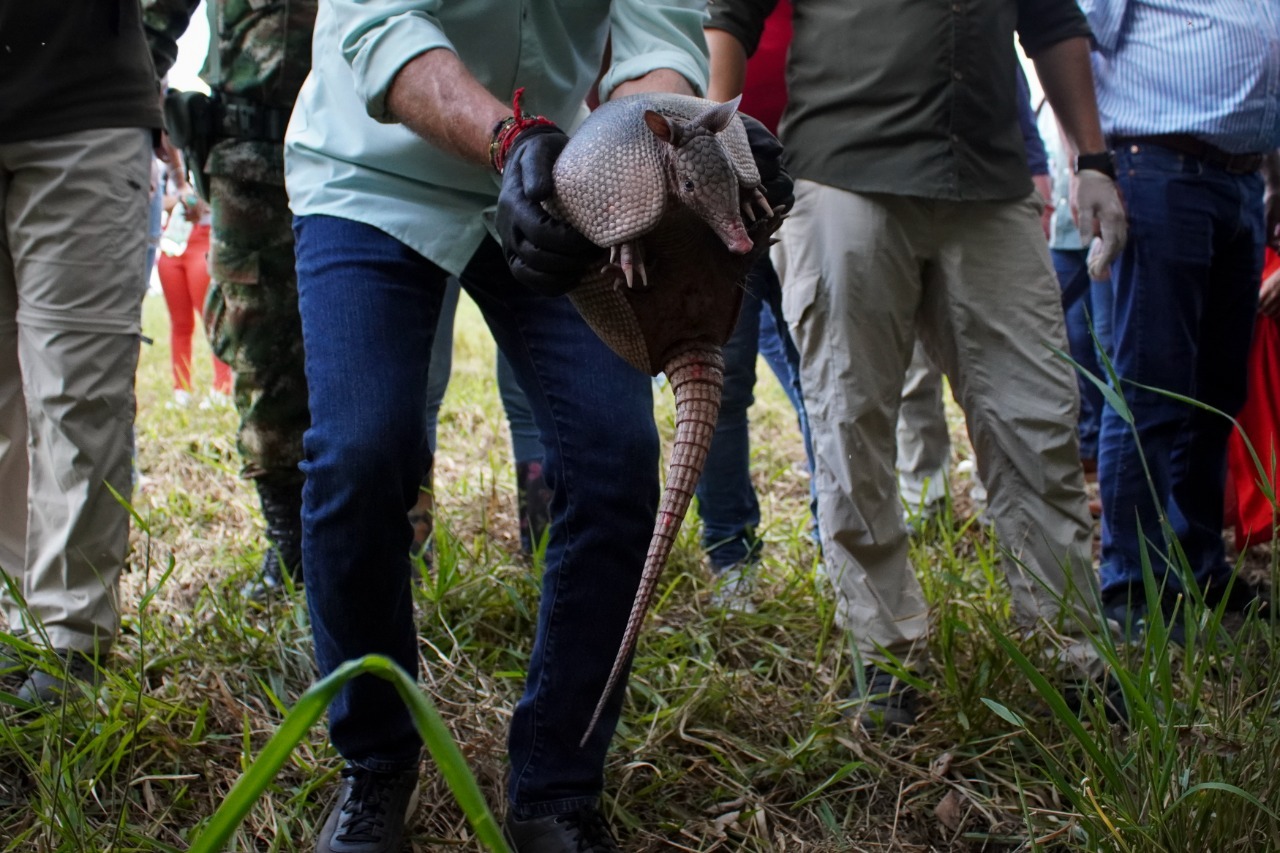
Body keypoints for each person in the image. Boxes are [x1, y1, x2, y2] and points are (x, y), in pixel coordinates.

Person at [283, 4, 786, 852]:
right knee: (361, 454)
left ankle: (556, 782)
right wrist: (509, 140)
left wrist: (669, 141)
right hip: (375, 173)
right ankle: (374, 762)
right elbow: (382, 27)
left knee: (616, 458)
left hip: (570, 173)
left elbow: (655, 44)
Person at [707, 0, 1128, 730]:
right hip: (843, 174)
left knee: (1038, 419)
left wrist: (1092, 159)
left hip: (990, 185)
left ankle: (1071, 651)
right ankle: (885, 654)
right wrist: (715, 151)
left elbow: (1054, 23)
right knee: (852, 420)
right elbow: (730, 15)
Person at [1078, 0, 1280, 636]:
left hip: (1243, 181)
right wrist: (1092, 166)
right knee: (1150, 390)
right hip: (1157, 169)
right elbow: (1072, 39)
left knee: (1217, 391)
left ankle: (1199, 569)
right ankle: (1132, 588)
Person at [0, 3, 161, 701]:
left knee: (77, 392)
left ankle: (68, 643)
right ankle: (9, 630)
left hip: (85, 103)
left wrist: (147, 48)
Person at [144, 0, 317, 599]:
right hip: (252, 162)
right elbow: (150, 24)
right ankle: (290, 542)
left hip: (368, 153)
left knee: (374, 346)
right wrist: (141, 115)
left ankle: (384, 521)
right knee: (258, 341)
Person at [895, 67, 1055, 529]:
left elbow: (1013, 91)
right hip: (897, 192)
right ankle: (925, 500)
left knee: (990, 371)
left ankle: (1000, 500)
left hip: (981, 192)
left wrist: (1038, 166)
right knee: (913, 374)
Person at [701, 0, 815, 609]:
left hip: (809, 182)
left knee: (821, 376)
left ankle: (835, 537)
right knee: (722, 382)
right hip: (713, 187)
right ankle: (730, 552)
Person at [156, 171, 233, 408]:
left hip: (202, 239)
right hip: (173, 242)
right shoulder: (165, 169)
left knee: (212, 319)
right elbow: (156, 199)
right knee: (179, 324)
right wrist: (181, 199)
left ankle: (222, 387)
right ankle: (182, 389)